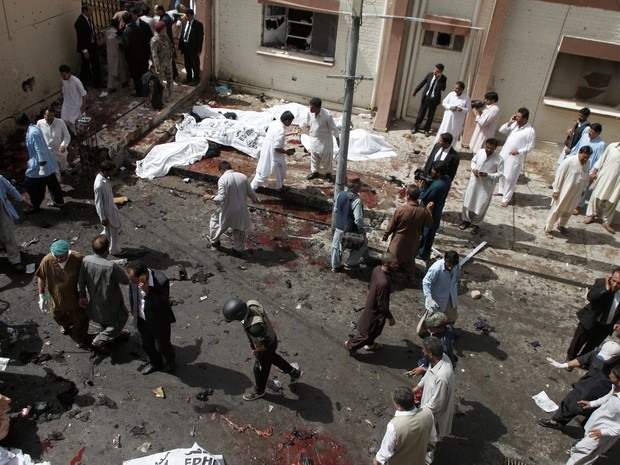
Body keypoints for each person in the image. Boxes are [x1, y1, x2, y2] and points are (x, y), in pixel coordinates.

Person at [222, 298, 303, 401]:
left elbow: (267, 344)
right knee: (273, 358)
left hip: (266, 347)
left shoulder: (254, 328)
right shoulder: (251, 304)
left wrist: (256, 351)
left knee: (259, 370)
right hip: (271, 336)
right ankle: (294, 373)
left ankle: (259, 391)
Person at [538, 341, 620, 431]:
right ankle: (556, 422)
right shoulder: (596, 353)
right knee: (570, 402)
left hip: (605, 392)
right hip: (585, 386)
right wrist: (562, 365)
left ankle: (587, 426)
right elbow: (581, 360)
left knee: (595, 412)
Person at [78, 235, 130, 351]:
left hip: (95, 300)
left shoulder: (86, 260)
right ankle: (102, 337)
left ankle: (112, 335)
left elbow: (81, 281)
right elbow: (125, 280)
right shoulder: (111, 266)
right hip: (111, 301)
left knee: (104, 320)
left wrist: (82, 296)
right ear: (107, 250)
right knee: (122, 316)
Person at [36, 240, 88, 348]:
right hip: (56, 297)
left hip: (74, 296)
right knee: (57, 315)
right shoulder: (47, 260)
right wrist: (41, 294)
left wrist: (85, 293)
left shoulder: (78, 258)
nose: (59, 259)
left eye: (62, 256)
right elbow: (41, 276)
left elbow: (86, 275)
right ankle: (66, 325)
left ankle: (79, 336)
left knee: (80, 319)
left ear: (67, 252)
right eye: (57, 256)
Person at [127, 261, 176, 375]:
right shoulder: (133, 280)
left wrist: (148, 292)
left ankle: (170, 361)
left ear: (144, 275)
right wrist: (134, 312)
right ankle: (155, 363)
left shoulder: (161, 280)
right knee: (146, 343)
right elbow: (132, 295)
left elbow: (163, 305)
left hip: (158, 321)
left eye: (134, 280)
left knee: (162, 346)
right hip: (141, 319)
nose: (132, 283)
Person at [344, 252, 398, 354]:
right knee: (367, 333)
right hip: (375, 312)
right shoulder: (384, 283)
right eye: (394, 263)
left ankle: (370, 344)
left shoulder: (377, 269)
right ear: (387, 264)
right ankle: (350, 345)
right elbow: (382, 305)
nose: (396, 265)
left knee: (374, 331)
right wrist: (390, 318)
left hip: (372, 303)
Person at [566, 365, 620, 465]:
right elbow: (607, 398)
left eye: (612, 377)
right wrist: (592, 404)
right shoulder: (615, 387)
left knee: (582, 451)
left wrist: (603, 432)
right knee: (586, 452)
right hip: (595, 422)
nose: (609, 376)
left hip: (604, 432)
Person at [412, 336, 455, 460]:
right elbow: (429, 373)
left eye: (424, 350)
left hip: (434, 412)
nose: (422, 351)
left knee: (430, 436)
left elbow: (436, 404)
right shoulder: (440, 359)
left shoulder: (442, 377)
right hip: (428, 402)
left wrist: (418, 414)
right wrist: (418, 387)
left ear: (430, 354)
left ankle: (427, 459)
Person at [203, 160, 259, 252]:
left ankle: (214, 241)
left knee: (216, 222)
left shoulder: (223, 179)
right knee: (239, 230)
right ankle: (238, 250)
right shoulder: (242, 177)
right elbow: (251, 193)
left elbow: (221, 198)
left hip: (228, 210)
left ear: (221, 170)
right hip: (241, 210)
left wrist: (209, 197)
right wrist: (255, 199)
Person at [566, 269, 620, 361]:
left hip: (605, 326)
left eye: (619, 283)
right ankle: (570, 359)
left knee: (592, 347)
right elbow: (590, 297)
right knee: (577, 343)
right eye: (613, 281)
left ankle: (581, 361)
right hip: (590, 320)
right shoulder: (600, 283)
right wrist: (606, 289)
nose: (614, 285)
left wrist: (618, 322)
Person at [373, 386, 435, 465]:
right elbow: (432, 439)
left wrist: (376, 461)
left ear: (399, 406)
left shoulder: (394, 425)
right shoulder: (428, 413)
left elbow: (385, 453)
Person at [382, 184, 433, 279]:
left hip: (399, 239)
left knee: (392, 257)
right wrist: (429, 211)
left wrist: (386, 235)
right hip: (414, 240)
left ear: (408, 196)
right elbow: (429, 224)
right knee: (410, 259)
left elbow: (391, 225)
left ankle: (391, 273)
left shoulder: (401, 209)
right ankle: (410, 276)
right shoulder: (423, 211)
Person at [15, 113, 64, 211]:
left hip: (40, 165)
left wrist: (41, 167)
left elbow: (39, 150)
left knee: (32, 185)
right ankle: (59, 201)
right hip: (45, 164)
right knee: (52, 183)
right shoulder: (34, 129)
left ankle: (34, 205)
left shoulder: (33, 133)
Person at [544, 146, 591, 239]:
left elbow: (586, 177)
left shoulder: (587, 163)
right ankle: (548, 228)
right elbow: (559, 175)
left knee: (568, 211)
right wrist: (556, 190)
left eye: (587, 157)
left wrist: (584, 189)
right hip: (564, 192)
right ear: (579, 153)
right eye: (584, 157)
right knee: (556, 210)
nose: (585, 159)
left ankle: (561, 225)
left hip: (576, 193)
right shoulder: (569, 161)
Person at [460, 138, 503, 235]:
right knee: (468, 201)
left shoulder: (499, 159)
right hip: (474, 182)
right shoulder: (480, 152)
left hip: (486, 186)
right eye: (487, 147)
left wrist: (488, 175)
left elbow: (500, 174)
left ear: (495, 148)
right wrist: (474, 169)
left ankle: (476, 224)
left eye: (491, 148)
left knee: (481, 205)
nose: (488, 150)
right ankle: (466, 220)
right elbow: (473, 161)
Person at [497, 107, 536, 207]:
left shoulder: (530, 131)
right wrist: (510, 122)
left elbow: (530, 147)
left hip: (515, 158)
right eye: (516, 116)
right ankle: (501, 190)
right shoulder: (514, 125)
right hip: (504, 153)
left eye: (519, 117)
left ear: (525, 119)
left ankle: (506, 199)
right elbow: (501, 130)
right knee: (501, 173)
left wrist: (518, 151)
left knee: (510, 178)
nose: (517, 118)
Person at [250, 111, 296, 191]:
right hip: (273, 155)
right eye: (291, 121)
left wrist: (291, 133)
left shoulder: (274, 123)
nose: (291, 123)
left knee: (281, 168)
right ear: (287, 121)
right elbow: (276, 148)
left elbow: (274, 136)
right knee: (262, 174)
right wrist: (287, 152)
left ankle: (279, 186)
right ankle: (250, 189)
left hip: (268, 151)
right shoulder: (281, 131)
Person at [331, 175, 368, 272]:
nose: (360, 186)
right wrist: (362, 230)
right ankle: (350, 263)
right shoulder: (356, 200)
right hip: (350, 229)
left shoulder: (340, 194)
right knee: (363, 243)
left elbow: (336, 210)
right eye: (359, 185)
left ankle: (335, 266)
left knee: (337, 247)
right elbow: (358, 219)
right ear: (355, 186)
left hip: (339, 227)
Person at [566, 124, 605, 213]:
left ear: (598, 133)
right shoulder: (584, 137)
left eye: (592, 132)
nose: (589, 133)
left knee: (583, 188)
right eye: (589, 130)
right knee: (572, 183)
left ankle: (577, 206)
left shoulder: (601, 144)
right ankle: (568, 201)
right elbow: (577, 148)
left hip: (588, 168)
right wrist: (570, 156)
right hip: (576, 164)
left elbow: (599, 159)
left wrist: (593, 172)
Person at [417, 162, 451, 262]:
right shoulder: (447, 179)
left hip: (431, 211)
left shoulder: (437, 186)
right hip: (438, 207)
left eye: (433, 170)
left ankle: (422, 253)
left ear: (439, 173)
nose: (431, 171)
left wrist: (420, 187)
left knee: (427, 232)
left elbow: (424, 196)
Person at [420, 251, 460, 335]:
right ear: (445, 259)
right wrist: (429, 297)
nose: (450, 267)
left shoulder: (456, 265)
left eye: (452, 265)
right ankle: (422, 331)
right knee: (431, 319)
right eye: (449, 264)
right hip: (437, 298)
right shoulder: (436, 268)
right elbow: (426, 282)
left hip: (450, 295)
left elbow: (457, 275)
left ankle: (442, 329)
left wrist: (457, 281)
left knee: (451, 317)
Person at [584, 142, 620, 234]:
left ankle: (606, 222)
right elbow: (601, 159)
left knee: (612, 200)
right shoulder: (612, 146)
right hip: (605, 176)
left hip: (617, 182)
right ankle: (591, 215)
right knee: (596, 195)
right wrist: (594, 172)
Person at [407, 313, 456, 379]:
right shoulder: (449, 329)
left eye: (431, 327)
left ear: (440, 327)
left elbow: (440, 369)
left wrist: (424, 369)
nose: (428, 328)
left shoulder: (441, 346)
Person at [0, 175, 32, 272]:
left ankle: (15, 260)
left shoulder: (0, 179)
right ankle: (3, 246)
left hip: (2, 211)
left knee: (8, 234)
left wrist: (22, 200)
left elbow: (10, 189)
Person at [305, 98, 340, 182]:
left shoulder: (327, 115)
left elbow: (334, 128)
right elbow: (306, 122)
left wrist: (337, 139)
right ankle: (315, 172)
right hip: (314, 138)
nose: (310, 109)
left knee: (326, 158)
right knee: (314, 156)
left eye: (313, 107)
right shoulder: (310, 112)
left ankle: (328, 174)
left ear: (318, 108)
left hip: (325, 140)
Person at [94, 161, 125, 257]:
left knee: (108, 230)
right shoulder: (99, 185)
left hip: (110, 208)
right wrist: (102, 217)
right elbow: (98, 203)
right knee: (113, 230)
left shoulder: (105, 179)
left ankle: (101, 244)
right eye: (111, 171)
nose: (113, 173)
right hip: (107, 213)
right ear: (105, 171)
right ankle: (114, 250)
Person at [412, 64, 447, 137]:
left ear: (441, 72)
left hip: (434, 99)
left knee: (430, 116)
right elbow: (423, 82)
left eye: (437, 71)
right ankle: (416, 127)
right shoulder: (430, 74)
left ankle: (427, 130)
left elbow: (443, 88)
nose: (435, 72)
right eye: (434, 70)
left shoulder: (443, 78)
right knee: (421, 114)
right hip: (426, 97)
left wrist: (439, 79)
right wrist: (416, 90)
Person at [121, 11, 150, 96]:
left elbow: (127, 45)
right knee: (143, 74)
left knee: (136, 76)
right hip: (142, 55)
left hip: (133, 58)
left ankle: (139, 92)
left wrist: (121, 45)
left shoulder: (126, 31)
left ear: (124, 21)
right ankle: (146, 89)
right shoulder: (138, 28)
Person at [433, 81, 470, 147]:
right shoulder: (451, 94)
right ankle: (438, 145)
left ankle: (450, 148)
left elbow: (468, 109)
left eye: (457, 88)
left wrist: (461, 109)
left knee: (453, 134)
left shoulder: (466, 98)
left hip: (457, 121)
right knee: (444, 130)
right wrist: (450, 107)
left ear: (461, 89)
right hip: (448, 118)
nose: (455, 89)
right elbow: (444, 103)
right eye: (455, 88)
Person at [37, 108, 71, 179]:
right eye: (48, 116)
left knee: (63, 168)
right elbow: (38, 138)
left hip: (60, 152)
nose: (50, 118)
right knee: (55, 172)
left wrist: (63, 145)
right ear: (44, 115)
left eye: (52, 116)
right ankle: (58, 185)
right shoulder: (40, 123)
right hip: (49, 153)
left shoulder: (60, 122)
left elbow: (67, 136)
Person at [74, 3, 102, 88]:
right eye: (90, 10)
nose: (92, 12)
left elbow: (91, 31)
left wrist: (95, 40)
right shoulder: (80, 22)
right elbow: (81, 37)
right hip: (86, 48)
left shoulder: (88, 19)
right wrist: (85, 51)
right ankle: (81, 83)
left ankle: (98, 83)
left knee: (96, 65)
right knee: (85, 66)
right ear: (85, 10)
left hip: (92, 45)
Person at [59, 65, 87, 134]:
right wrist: (62, 94)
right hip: (67, 103)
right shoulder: (63, 79)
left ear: (69, 73)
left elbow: (84, 94)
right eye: (61, 75)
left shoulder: (76, 81)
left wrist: (83, 105)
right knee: (64, 119)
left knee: (79, 122)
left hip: (76, 104)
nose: (63, 77)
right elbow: (64, 87)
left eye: (64, 75)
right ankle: (72, 133)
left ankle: (81, 133)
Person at [150, 21, 175, 99]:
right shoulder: (154, 41)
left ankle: (170, 94)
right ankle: (159, 96)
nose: (166, 28)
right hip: (160, 64)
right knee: (159, 81)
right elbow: (154, 55)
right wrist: (157, 66)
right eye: (164, 28)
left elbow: (170, 45)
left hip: (168, 61)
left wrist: (171, 55)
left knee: (170, 78)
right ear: (161, 29)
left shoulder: (165, 36)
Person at [179, 8, 204, 84]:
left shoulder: (198, 25)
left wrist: (199, 50)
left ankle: (196, 79)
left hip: (193, 48)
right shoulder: (184, 23)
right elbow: (182, 34)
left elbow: (200, 38)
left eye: (188, 16)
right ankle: (189, 77)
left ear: (192, 15)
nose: (187, 17)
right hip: (186, 46)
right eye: (186, 16)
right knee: (187, 64)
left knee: (195, 64)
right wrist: (181, 45)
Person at [105, 18, 129, 93]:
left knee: (111, 70)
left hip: (110, 53)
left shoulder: (107, 32)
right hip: (118, 52)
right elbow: (120, 43)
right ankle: (123, 81)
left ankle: (111, 86)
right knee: (121, 68)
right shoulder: (117, 33)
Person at [155, 4, 178, 79]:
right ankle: (174, 73)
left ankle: (173, 74)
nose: (155, 12)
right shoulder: (166, 16)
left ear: (160, 10)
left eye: (156, 10)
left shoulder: (164, 19)